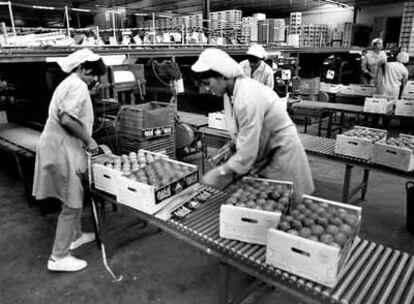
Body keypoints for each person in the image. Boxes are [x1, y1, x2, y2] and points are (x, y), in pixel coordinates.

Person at [192, 48, 314, 200]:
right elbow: (242, 128)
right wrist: (234, 144)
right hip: (265, 151)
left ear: (222, 76)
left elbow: (247, 153)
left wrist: (218, 172)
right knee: (268, 206)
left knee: (286, 205)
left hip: (281, 153)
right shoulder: (230, 92)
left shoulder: (247, 96)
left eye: (207, 83)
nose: (207, 89)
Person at [32, 49, 106, 272]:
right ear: (82, 68)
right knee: (72, 202)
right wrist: (89, 139)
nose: (94, 79)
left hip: (58, 146)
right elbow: (66, 118)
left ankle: (76, 235)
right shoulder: (77, 85)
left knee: (69, 196)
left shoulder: (71, 82)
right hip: (62, 148)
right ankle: (58, 257)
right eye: (92, 74)